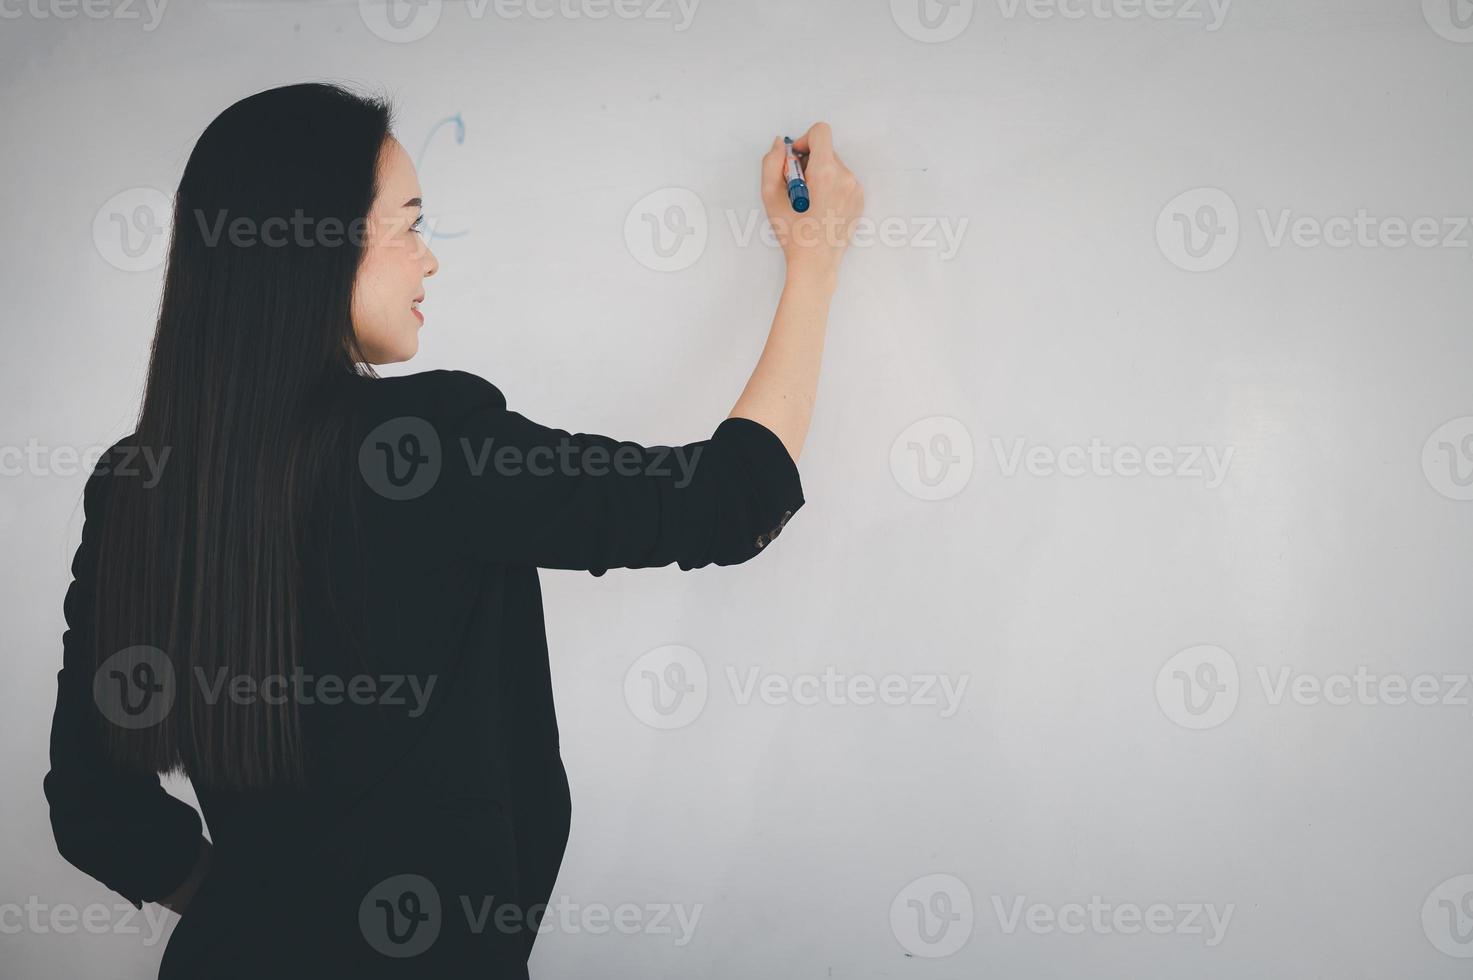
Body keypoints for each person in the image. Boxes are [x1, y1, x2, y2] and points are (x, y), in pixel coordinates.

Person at [43, 81, 863, 978]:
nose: (428, 261)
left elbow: (94, 807)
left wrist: (252, 910)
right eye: (408, 225)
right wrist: (814, 261)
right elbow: (727, 501)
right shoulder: (428, 450)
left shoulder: (135, 486)